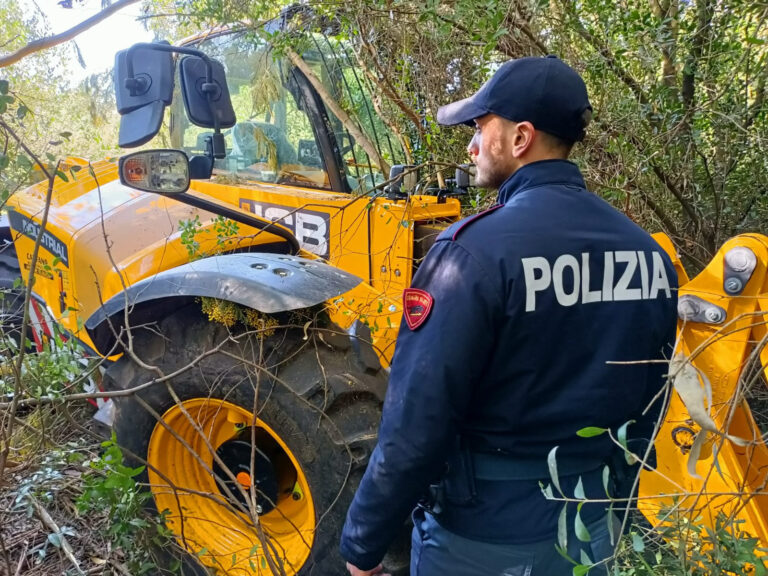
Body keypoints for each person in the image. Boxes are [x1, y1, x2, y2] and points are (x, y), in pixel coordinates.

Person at [339, 56, 678, 576]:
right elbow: (651, 401)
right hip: (593, 528)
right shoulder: (647, 254)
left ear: (521, 138)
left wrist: (362, 545)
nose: (471, 146)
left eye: (480, 128)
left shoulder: (470, 254)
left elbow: (415, 427)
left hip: (480, 541)